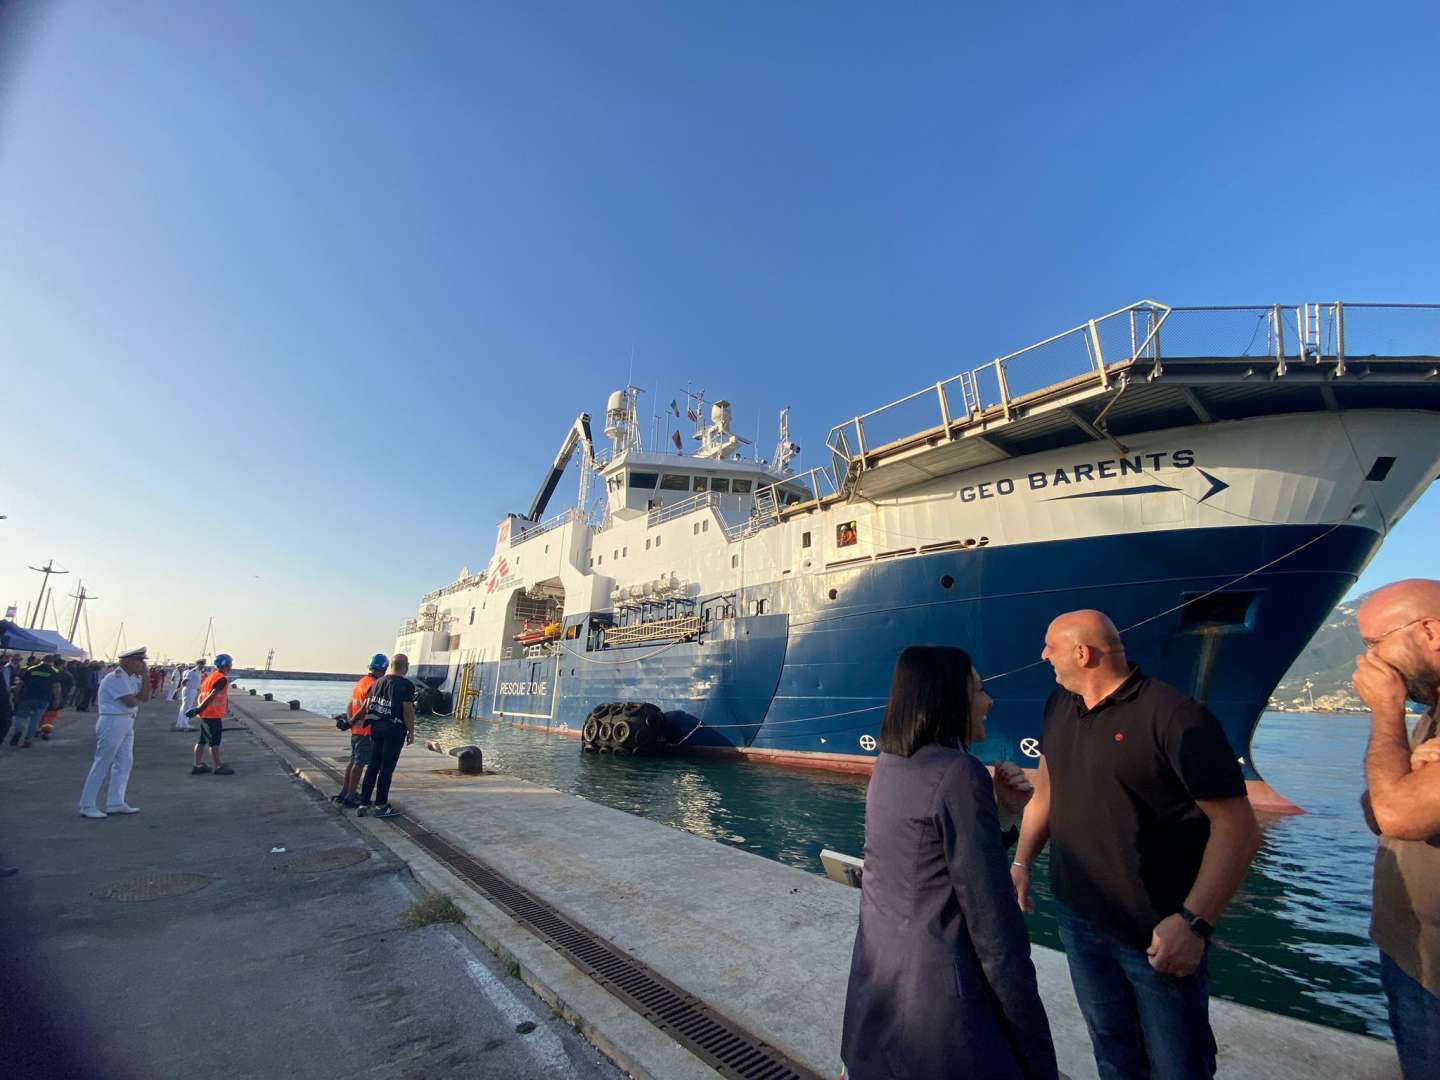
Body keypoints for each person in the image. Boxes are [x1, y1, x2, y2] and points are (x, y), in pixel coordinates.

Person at [1013, 610, 1260, 1080]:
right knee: (1112, 1050)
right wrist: (1022, 862)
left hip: (1155, 930)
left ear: (1083, 654)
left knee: (1177, 1064)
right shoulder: (1058, 705)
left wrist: (1194, 922)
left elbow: (1237, 827)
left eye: (1050, 646)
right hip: (1079, 918)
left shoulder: (1174, 716)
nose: (1043, 655)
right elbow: (1047, 792)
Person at [841, 645, 1057, 1080]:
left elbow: (930, 863)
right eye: (979, 689)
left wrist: (1005, 814)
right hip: (942, 1013)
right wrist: (1034, 1046)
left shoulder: (888, 765)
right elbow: (993, 928)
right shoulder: (960, 773)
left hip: (880, 992)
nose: (989, 702)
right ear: (949, 698)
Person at [1352, 579, 1440, 1078]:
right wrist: (1405, 770)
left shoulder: (1404, 710)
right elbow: (1378, 810)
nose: (1368, 663)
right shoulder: (1432, 712)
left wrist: (1385, 710)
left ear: (1429, 631)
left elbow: (1397, 815)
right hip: (1413, 959)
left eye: (1373, 645)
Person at [78, 646, 151, 818]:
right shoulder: (116, 678)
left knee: (125, 763)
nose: (143, 665)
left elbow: (145, 698)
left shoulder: (131, 678)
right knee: (102, 762)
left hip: (127, 721)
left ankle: (115, 802)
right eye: (140, 661)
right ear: (128, 661)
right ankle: (87, 805)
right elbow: (131, 702)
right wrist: (138, 697)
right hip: (113, 720)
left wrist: (146, 679)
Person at [356, 653, 416, 818]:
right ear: (406, 666)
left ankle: (363, 803)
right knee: (386, 769)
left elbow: (367, 705)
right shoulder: (406, 685)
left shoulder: (377, 682)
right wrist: (411, 731)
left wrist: (351, 722)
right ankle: (381, 805)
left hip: (376, 729)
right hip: (394, 731)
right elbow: (407, 711)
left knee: (373, 766)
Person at [336, 654, 387, 809]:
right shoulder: (374, 684)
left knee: (353, 762)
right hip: (366, 731)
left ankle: (345, 792)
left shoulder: (361, 682)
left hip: (356, 730)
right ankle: (351, 796)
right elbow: (367, 706)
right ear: (383, 669)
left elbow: (351, 703)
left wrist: (350, 722)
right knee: (359, 763)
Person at [191, 654, 234, 775]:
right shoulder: (221, 679)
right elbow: (212, 695)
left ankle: (197, 764)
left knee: (202, 740)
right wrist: (200, 708)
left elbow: (201, 694)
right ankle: (218, 766)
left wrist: (199, 709)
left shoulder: (210, 677)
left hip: (205, 714)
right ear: (226, 665)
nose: (231, 667)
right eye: (230, 664)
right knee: (214, 742)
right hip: (212, 714)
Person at [11, 654, 61, 748]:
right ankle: (28, 739)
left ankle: (18, 731)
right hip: (43, 699)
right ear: (52, 662)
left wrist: (16, 694)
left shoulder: (31, 669)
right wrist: (57, 699)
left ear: (42, 660)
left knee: (21, 716)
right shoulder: (53, 672)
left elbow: (21, 683)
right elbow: (56, 687)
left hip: (28, 697)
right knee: (35, 719)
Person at [175, 661, 203, 732]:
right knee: (187, 707)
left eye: (203, 664)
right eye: (201, 664)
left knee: (185, 707)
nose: (203, 666)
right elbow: (184, 681)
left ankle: (180, 723)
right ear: (198, 664)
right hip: (189, 690)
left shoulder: (199, 672)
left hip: (193, 690)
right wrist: (188, 688)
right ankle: (184, 724)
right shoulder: (192, 671)